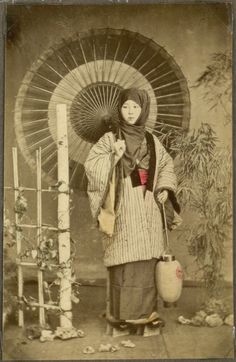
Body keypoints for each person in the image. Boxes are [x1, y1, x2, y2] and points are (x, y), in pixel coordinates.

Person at [84, 88, 180, 335]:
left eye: (135, 107)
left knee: (147, 259)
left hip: (148, 203)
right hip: (123, 202)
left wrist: (164, 189)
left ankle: (146, 318)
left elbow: (167, 166)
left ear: (143, 110)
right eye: (126, 107)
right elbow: (92, 165)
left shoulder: (151, 140)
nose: (130, 112)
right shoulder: (109, 139)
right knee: (124, 259)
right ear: (119, 109)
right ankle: (122, 320)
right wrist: (113, 158)